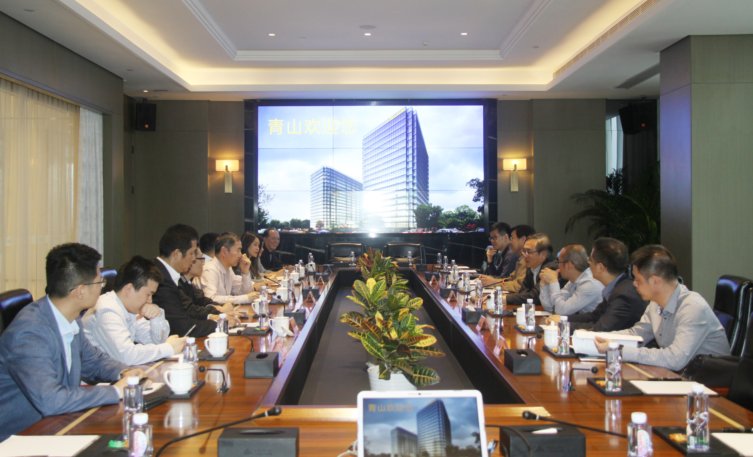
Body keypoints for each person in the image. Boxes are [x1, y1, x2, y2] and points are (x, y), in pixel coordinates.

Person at [0, 243, 144, 441]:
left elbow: (92, 361)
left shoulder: (69, 316)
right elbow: (51, 400)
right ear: (80, 291)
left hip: (58, 426)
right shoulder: (29, 333)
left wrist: (124, 373)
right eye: (99, 282)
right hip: (19, 438)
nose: (102, 288)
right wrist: (115, 391)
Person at [594, 245, 730, 372]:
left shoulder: (692, 307)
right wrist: (595, 337)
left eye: (637, 279)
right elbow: (637, 335)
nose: (634, 284)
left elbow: (675, 359)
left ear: (655, 281)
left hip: (708, 383)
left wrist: (620, 350)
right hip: (678, 376)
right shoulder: (655, 304)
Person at [83, 256, 186, 365]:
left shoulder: (129, 308)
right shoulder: (107, 309)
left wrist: (156, 316)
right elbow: (128, 356)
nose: (150, 301)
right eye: (148, 294)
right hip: (95, 374)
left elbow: (155, 342)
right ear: (129, 289)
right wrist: (168, 348)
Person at [152, 224, 238, 338]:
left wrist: (215, 314)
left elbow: (190, 309)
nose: (193, 259)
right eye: (191, 253)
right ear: (176, 254)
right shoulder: (159, 279)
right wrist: (220, 323)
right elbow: (183, 326)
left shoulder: (169, 274)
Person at [547, 238, 648, 332]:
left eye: (590, 260)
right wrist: (563, 319)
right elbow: (594, 317)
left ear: (600, 267)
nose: (588, 265)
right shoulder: (616, 286)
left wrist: (563, 325)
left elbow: (601, 328)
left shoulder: (624, 293)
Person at [539, 244, 604, 315]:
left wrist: (553, 282)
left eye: (559, 262)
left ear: (568, 265)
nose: (558, 266)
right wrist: (544, 285)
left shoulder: (590, 284)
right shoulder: (573, 281)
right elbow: (552, 307)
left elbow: (561, 311)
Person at [200, 232, 262, 304]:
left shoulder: (228, 269)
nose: (241, 255)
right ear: (224, 251)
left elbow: (244, 293)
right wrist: (245, 298)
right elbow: (211, 299)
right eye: (238, 250)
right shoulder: (210, 269)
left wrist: (245, 272)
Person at [506, 233, 564, 306]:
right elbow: (523, 292)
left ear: (543, 254)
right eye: (524, 251)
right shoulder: (531, 267)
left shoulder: (551, 269)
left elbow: (535, 297)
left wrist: (505, 299)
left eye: (529, 252)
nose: (525, 255)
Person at [481, 224, 535, 291]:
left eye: (512, 238)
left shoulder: (514, 255)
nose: (510, 242)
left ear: (523, 239)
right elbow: (509, 279)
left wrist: (494, 282)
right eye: (491, 238)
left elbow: (519, 286)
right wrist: (492, 281)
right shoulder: (521, 258)